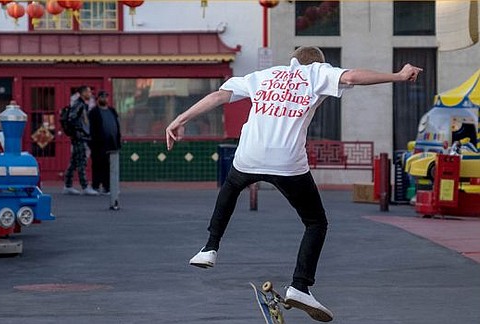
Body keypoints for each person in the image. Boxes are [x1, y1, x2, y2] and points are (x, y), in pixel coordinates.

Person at [165, 46, 423, 322]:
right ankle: (300, 286)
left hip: (249, 155)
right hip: (287, 162)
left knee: (230, 188)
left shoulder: (265, 75)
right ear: (317, 63)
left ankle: (209, 248)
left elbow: (219, 95)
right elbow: (351, 78)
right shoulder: (317, 73)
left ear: (293, 60)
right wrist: (397, 75)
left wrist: (180, 120)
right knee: (316, 223)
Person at [63, 85, 99, 196]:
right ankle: (85, 186)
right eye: (88, 92)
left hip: (80, 136)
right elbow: (72, 118)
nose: (90, 94)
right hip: (79, 137)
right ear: (83, 93)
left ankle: (68, 185)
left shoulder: (82, 104)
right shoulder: (79, 105)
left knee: (74, 161)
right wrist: (79, 132)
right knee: (82, 162)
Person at [88, 90, 122, 195]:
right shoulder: (94, 112)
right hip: (98, 144)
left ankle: (108, 187)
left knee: (110, 166)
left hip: (112, 143)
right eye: (102, 97)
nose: (104, 99)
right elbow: (91, 128)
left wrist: (118, 140)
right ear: (98, 99)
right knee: (98, 165)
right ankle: (96, 186)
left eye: (106, 97)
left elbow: (117, 125)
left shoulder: (112, 111)